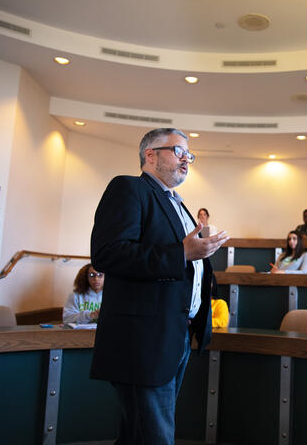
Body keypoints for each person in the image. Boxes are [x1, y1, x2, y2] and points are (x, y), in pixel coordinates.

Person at [90, 128, 229, 444]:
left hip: (174, 333)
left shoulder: (178, 204)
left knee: (139, 433)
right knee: (154, 436)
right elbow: (107, 253)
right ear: (150, 154)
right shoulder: (128, 188)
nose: (186, 160)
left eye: (189, 155)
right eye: (179, 151)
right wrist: (183, 253)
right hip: (142, 339)